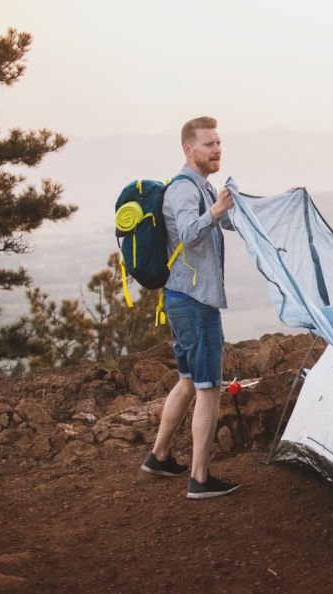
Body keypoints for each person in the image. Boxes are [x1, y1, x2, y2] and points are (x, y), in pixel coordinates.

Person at [139, 116, 241, 500]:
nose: (217, 149)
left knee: (186, 380)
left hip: (182, 298)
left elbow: (221, 223)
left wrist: (230, 209)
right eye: (209, 144)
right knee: (208, 388)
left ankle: (160, 456)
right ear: (188, 149)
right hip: (196, 302)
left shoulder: (204, 185)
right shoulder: (184, 190)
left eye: (218, 142)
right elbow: (187, 233)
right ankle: (199, 478)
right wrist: (214, 212)